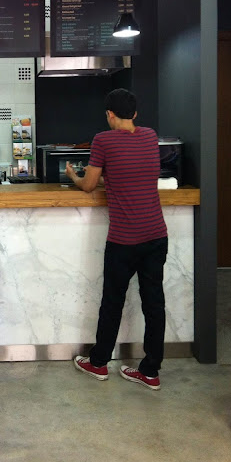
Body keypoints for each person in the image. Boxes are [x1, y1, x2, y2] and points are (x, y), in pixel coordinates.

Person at [66, 88, 168, 391]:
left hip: (124, 239)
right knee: (154, 304)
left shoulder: (103, 140)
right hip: (156, 234)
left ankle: (98, 363)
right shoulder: (150, 136)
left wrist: (74, 176)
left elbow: (89, 185)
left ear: (110, 114)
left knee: (112, 302)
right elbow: (134, 171)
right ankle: (150, 371)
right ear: (134, 113)